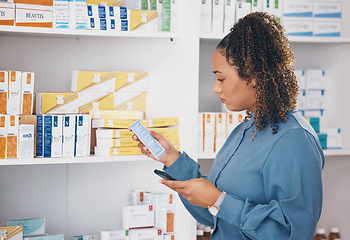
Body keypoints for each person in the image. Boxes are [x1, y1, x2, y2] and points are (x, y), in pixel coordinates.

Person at [132, 12, 324, 240]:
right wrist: (171, 158)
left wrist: (218, 200)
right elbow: (213, 215)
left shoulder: (294, 141)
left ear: (253, 76)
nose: (215, 88)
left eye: (220, 78)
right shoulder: (245, 131)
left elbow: (293, 235)